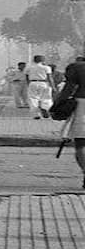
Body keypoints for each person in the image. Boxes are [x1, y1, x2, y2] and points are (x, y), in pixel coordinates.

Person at [57, 55, 85, 187]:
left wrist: (57, 105)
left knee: (81, 142)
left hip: (82, 105)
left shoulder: (77, 67)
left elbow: (68, 89)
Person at [24, 55, 54, 119]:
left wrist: (28, 84)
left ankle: (36, 114)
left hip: (32, 83)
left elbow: (26, 77)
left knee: (33, 99)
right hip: (44, 83)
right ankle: (45, 108)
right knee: (46, 98)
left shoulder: (28, 68)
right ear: (43, 60)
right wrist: (53, 86)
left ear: (34, 60)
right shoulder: (47, 67)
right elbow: (50, 77)